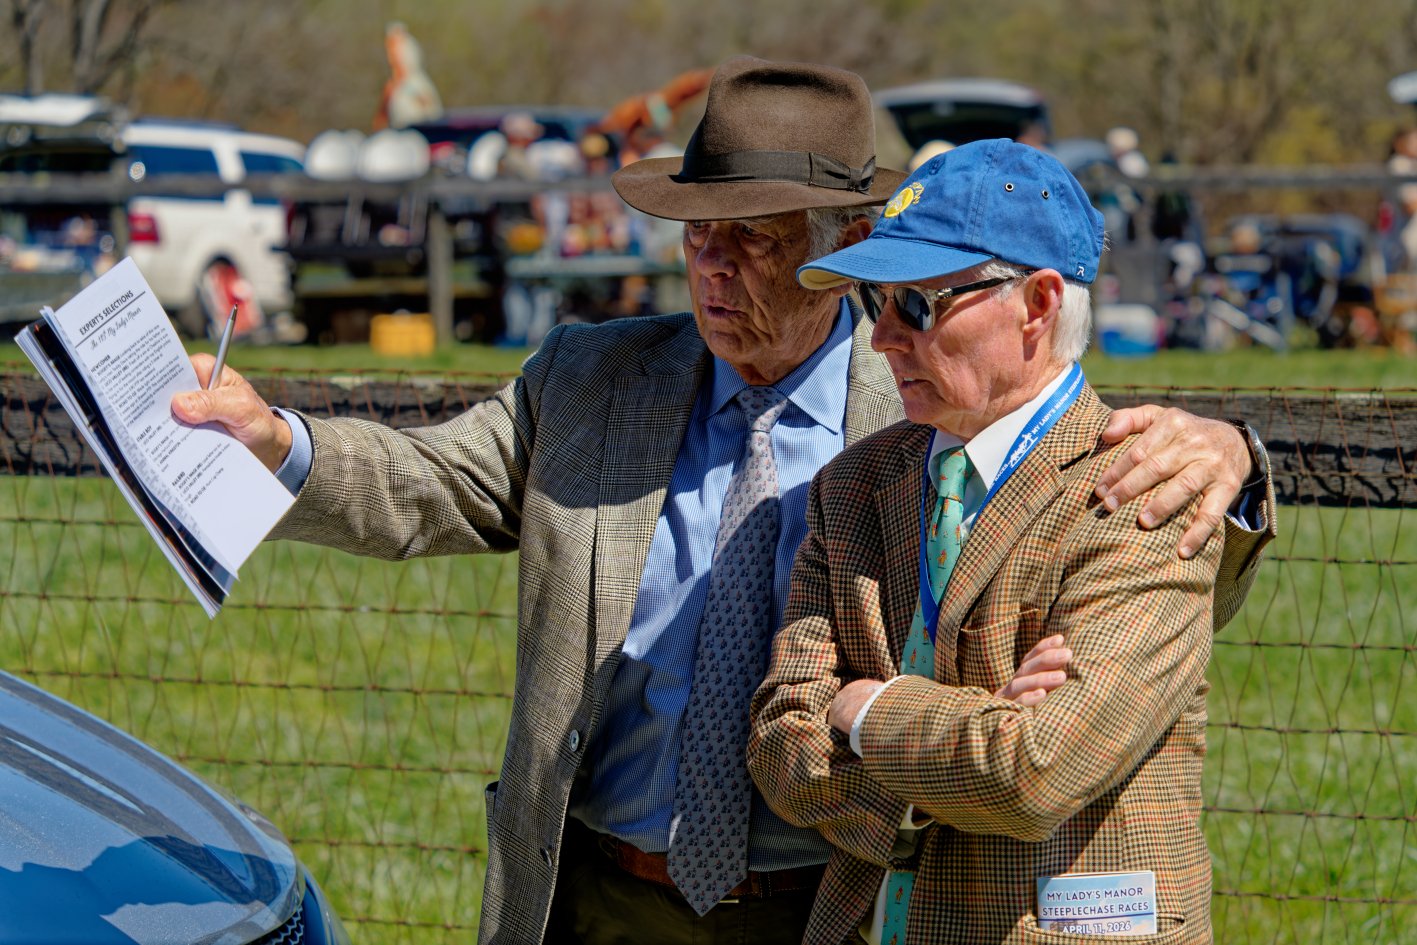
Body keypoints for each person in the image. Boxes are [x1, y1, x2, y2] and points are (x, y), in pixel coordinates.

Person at [170, 58, 1268, 944]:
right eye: (698, 233)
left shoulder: (924, 404)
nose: (712, 266)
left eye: (754, 237)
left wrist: (1235, 457)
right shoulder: (593, 379)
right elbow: (430, 483)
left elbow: (1095, 496)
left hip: (827, 901)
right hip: (596, 886)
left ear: (845, 249)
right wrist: (278, 442)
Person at [748, 139, 1276, 945]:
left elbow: (1036, 769)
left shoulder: (1151, 489)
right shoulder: (854, 485)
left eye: (916, 305)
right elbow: (781, 739)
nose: (884, 337)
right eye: (871, 302)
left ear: (1036, 304)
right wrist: (967, 743)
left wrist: (868, 711)